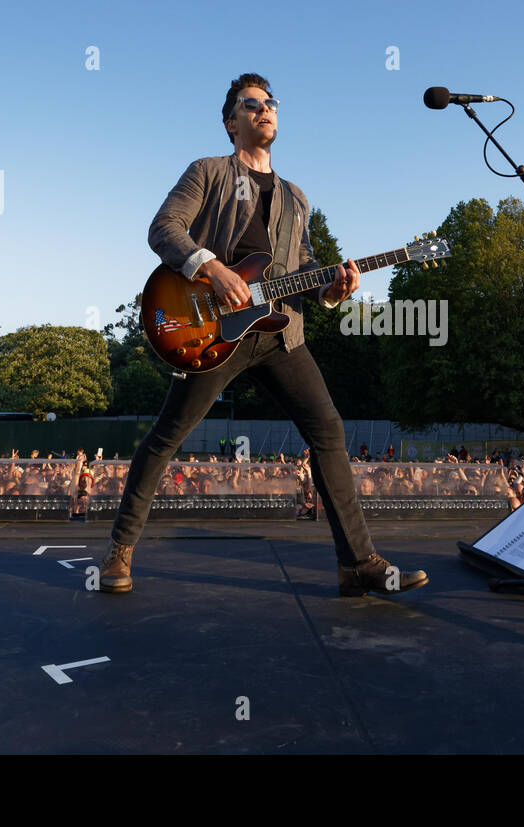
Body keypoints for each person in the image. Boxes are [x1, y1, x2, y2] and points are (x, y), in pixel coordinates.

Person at [97, 73, 427, 597]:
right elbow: (164, 229)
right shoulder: (206, 171)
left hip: (280, 334)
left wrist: (334, 289)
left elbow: (306, 266)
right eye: (250, 105)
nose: (264, 110)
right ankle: (119, 549)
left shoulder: (297, 197)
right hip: (211, 330)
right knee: (166, 437)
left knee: (328, 432)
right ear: (231, 123)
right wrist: (212, 269)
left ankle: (357, 564)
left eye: (269, 103)